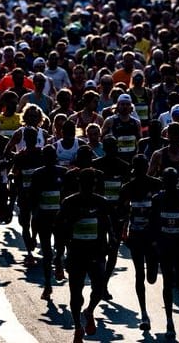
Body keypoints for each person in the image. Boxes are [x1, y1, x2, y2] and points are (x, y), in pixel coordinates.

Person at [56, 168, 114, 343]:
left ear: (95, 185)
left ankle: (89, 310)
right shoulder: (69, 202)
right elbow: (58, 229)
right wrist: (58, 256)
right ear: (79, 184)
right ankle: (77, 326)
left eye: (91, 184)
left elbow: (108, 224)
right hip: (76, 252)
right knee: (75, 293)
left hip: (97, 252)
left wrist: (113, 240)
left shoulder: (102, 202)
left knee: (98, 288)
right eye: (85, 184)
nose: (88, 187)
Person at [150, 167, 179, 339]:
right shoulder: (157, 199)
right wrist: (154, 245)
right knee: (167, 283)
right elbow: (153, 222)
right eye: (167, 181)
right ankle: (169, 320)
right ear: (163, 182)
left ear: (177, 181)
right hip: (164, 246)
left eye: (173, 181)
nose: (170, 184)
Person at [118, 154, 162, 330]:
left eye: (143, 169)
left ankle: (153, 266)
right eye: (138, 170)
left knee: (151, 276)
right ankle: (144, 314)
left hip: (152, 235)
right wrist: (123, 230)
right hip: (136, 234)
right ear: (134, 170)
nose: (141, 172)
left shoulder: (157, 184)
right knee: (139, 275)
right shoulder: (128, 187)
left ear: (147, 168)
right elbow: (122, 210)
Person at [92, 135, 131, 300]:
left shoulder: (125, 167)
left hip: (118, 215)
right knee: (99, 251)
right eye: (108, 147)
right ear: (104, 148)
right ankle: (98, 284)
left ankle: (104, 285)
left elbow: (127, 194)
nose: (111, 150)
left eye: (113, 147)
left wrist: (126, 217)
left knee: (113, 251)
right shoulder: (95, 166)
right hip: (99, 215)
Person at [30, 144, 69, 299]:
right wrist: (33, 231)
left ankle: (58, 261)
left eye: (51, 157)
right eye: (47, 157)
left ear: (55, 158)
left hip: (59, 217)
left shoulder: (63, 172)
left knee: (60, 248)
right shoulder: (37, 174)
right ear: (43, 159)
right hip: (44, 218)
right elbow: (33, 200)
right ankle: (47, 285)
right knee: (46, 253)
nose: (49, 160)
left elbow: (67, 195)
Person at [10, 127, 43, 266]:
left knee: (36, 219)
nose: (30, 140)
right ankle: (29, 252)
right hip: (24, 193)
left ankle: (34, 237)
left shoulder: (41, 154)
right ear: (25, 139)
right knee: (24, 222)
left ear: (36, 139)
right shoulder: (19, 155)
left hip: (38, 194)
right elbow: (14, 172)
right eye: (28, 137)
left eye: (33, 137)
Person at [148, 122, 179, 189]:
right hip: (164, 193)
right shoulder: (158, 155)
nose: (174, 137)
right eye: (173, 134)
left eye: (176, 134)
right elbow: (149, 177)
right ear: (167, 135)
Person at [101, 94, 142, 163]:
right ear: (117, 106)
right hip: (116, 159)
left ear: (131, 107)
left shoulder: (136, 122)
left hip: (131, 157)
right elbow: (102, 138)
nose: (125, 107)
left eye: (127, 104)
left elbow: (140, 141)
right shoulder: (110, 121)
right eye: (122, 104)